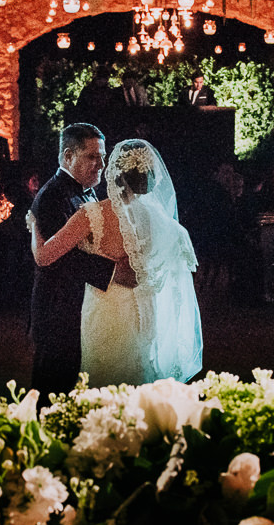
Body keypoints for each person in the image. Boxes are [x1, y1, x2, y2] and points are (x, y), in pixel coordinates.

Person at [34, 138, 203, 386]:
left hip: (106, 313)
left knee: (104, 384)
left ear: (115, 171)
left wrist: (34, 225)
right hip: (147, 316)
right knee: (140, 380)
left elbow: (44, 256)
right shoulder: (166, 223)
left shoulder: (93, 214)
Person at [28, 123, 129, 393]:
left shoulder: (87, 190)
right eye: (92, 157)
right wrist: (113, 272)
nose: (101, 165)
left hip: (79, 308)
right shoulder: (52, 195)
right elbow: (60, 258)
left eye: (103, 157)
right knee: (52, 393)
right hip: (58, 311)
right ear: (68, 156)